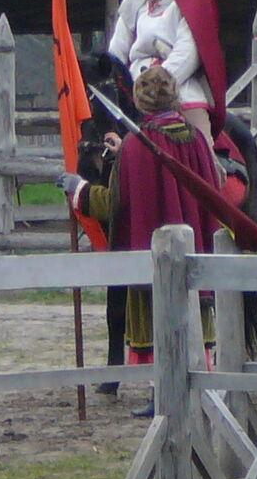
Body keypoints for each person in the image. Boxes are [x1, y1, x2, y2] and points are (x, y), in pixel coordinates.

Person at [60, 65, 221, 406]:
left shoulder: (138, 146)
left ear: (140, 101)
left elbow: (115, 204)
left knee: (158, 321)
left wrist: (79, 190)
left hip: (155, 265)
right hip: (196, 258)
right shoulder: (196, 140)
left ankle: (160, 396)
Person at [107, 0, 227, 144]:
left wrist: (156, 89)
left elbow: (189, 52)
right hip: (134, 84)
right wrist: (117, 78)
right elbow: (119, 44)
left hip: (179, 86)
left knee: (202, 151)